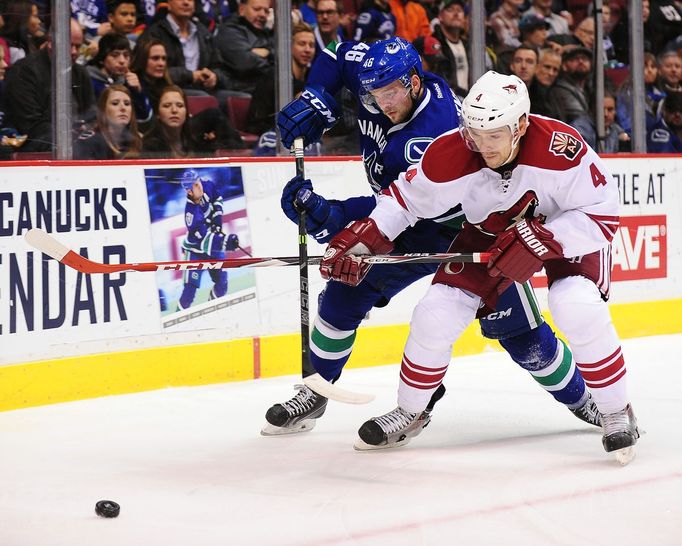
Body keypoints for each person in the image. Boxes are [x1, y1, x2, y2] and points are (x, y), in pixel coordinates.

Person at [264, 38, 601, 443]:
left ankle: (582, 398)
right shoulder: (378, 73)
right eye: (373, 93)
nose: (382, 102)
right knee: (343, 290)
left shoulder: (430, 135)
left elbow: (407, 209)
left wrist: (330, 216)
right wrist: (316, 95)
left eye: (391, 92)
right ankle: (315, 390)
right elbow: (336, 54)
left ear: (413, 81)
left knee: (519, 333)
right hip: (406, 215)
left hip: (466, 227)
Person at [318, 71, 639, 463]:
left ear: (520, 125)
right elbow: (404, 201)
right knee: (435, 313)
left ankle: (615, 410)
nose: (481, 146)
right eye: (474, 133)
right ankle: (411, 410)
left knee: (575, 304)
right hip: (491, 231)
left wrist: (543, 241)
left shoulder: (562, 148)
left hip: (567, 227)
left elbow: (602, 216)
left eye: (493, 136)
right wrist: (365, 239)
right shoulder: (453, 150)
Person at [4, 19, 96, 152]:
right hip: (34, 145)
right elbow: (29, 124)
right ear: (51, 43)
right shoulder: (24, 72)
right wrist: (69, 137)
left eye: (78, 46)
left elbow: (91, 115)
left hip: (73, 141)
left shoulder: (80, 73)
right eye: (69, 45)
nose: (75, 52)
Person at [177, 169, 240, 310]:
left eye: (199, 181)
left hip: (212, 243)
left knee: (222, 283)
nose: (200, 185)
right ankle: (177, 324)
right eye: (196, 185)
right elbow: (205, 241)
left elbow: (217, 198)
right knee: (189, 293)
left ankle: (213, 312)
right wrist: (226, 243)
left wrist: (217, 220)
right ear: (189, 192)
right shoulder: (191, 214)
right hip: (195, 250)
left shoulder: (206, 185)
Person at [138, 0, 227, 97]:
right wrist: (190, 76)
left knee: (239, 98)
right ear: (168, 4)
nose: (186, 2)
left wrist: (214, 76)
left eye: (190, 0)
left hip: (203, 89)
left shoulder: (204, 33)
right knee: (202, 97)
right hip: (167, 89)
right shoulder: (155, 33)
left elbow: (220, 67)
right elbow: (148, 70)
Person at [246, 22, 314, 137]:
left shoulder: (313, 78)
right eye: (302, 44)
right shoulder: (273, 78)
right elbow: (255, 124)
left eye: (311, 45)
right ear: (290, 47)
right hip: (270, 140)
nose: (307, 49)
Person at [87, 32, 153, 125]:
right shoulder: (88, 80)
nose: (122, 61)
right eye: (115, 55)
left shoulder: (128, 82)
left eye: (126, 55)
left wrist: (138, 91)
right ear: (102, 58)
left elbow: (144, 118)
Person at [214, 0, 274, 94]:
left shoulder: (267, 34)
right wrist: (271, 57)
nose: (263, 14)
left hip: (263, 90)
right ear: (241, 9)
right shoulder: (229, 31)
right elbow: (246, 63)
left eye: (266, 11)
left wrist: (268, 52)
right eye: (257, 9)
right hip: (238, 89)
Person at [73, 83, 143, 159]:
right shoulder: (88, 143)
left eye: (127, 104)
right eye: (115, 103)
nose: (123, 108)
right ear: (103, 110)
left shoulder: (136, 141)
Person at [548, 45, 593, 124]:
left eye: (584, 59)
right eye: (575, 59)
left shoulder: (589, 88)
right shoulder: (561, 89)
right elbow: (579, 117)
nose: (581, 61)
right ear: (564, 66)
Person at [0, 0, 44, 64]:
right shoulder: (14, 50)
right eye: (35, 16)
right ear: (22, 19)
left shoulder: (30, 42)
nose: (39, 21)